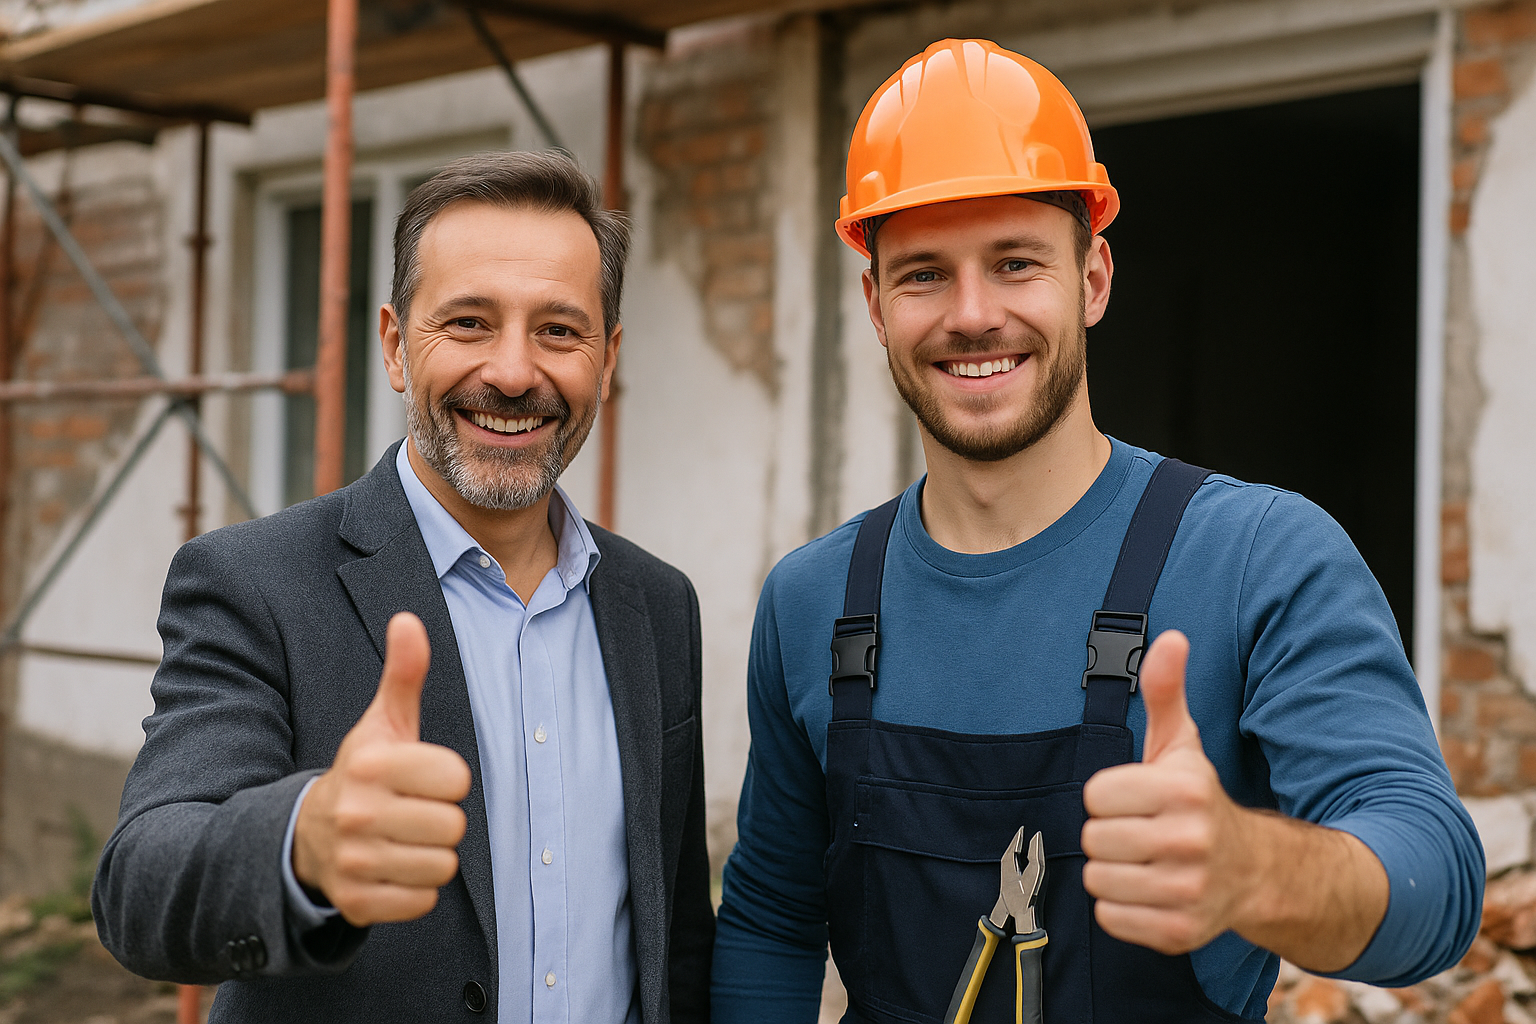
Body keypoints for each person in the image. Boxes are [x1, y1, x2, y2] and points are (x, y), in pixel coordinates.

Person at [711, 38, 1482, 1024]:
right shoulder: (812, 599)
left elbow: (1437, 882)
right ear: (875, 304)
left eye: (1016, 262)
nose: (973, 314)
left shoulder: (1259, 558)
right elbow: (772, 921)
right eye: (924, 275)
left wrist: (1252, 867)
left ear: (1093, 277)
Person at [93, 151, 714, 1023]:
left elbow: (673, 936)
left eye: (558, 331)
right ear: (393, 345)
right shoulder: (253, 583)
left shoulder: (657, 604)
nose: (512, 373)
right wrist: (302, 844)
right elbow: (140, 885)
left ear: (607, 360)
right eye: (468, 323)